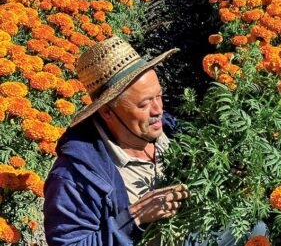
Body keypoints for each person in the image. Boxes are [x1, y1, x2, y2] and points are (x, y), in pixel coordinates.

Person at [43, 35, 266, 246]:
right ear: (106, 112)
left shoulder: (170, 132)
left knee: (257, 228)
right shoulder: (75, 177)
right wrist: (135, 217)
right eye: (143, 104)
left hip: (197, 234)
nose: (158, 109)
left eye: (158, 96)